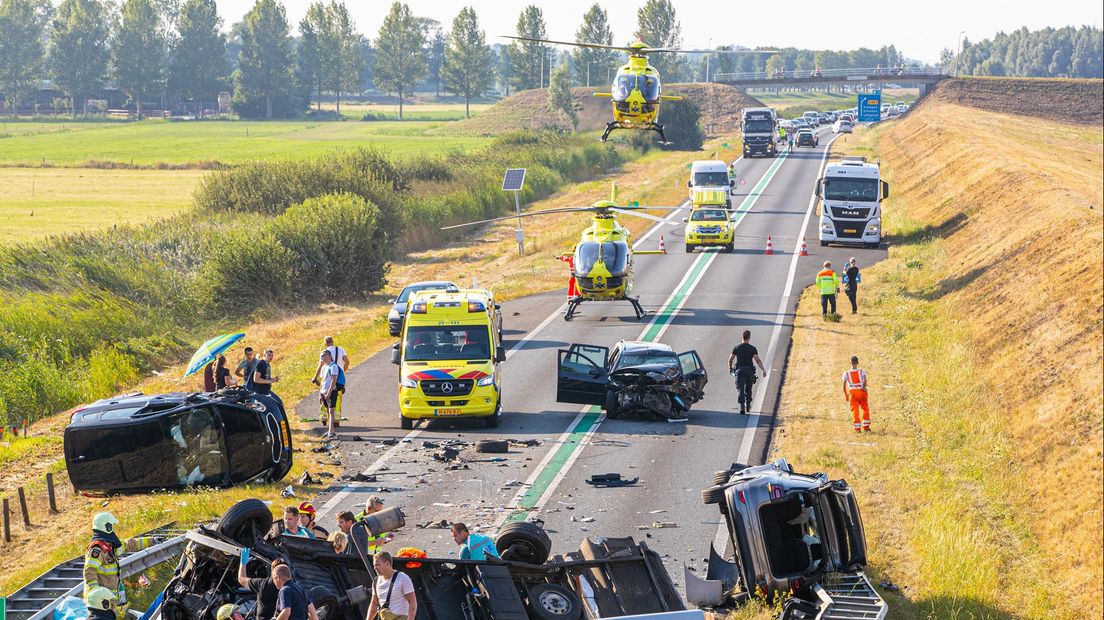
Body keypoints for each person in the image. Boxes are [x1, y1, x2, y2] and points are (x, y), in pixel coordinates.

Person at [83, 512, 159, 618]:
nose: (113, 528)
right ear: (106, 527)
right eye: (112, 526)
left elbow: (130, 544)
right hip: (99, 603)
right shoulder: (97, 549)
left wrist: (152, 541)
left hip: (109, 600)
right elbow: (89, 572)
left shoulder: (110, 546)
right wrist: (96, 594)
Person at [367, 552, 417, 620]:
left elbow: (412, 602)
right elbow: (374, 604)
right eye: (374, 565)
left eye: (377, 565)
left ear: (387, 563)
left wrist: (410, 618)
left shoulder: (403, 578)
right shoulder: (376, 581)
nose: (375, 568)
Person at [727, 330, 767, 415]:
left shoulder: (736, 348)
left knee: (740, 389)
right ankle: (748, 404)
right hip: (749, 371)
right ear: (749, 338)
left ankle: (742, 405)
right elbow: (758, 361)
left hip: (739, 371)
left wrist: (730, 368)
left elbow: (730, 359)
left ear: (742, 337)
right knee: (748, 389)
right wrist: (763, 370)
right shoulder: (752, 349)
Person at [237, 555, 286, 620]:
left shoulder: (262, 584)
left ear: (272, 570)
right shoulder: (292, 588)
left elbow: (241, 579)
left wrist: (243, 562)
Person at [317, 350, 344, 439]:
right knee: (328, 411)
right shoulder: (324, 367)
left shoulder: (333, 366)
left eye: (322, 356)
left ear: (328, 356)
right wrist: (320, 394)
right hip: (324, 392)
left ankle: (331, 431)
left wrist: (329, 393)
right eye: (320, 356)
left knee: (331, 411)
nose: (321, 358)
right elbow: (322, 381)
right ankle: (330, 430)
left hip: (331, 392)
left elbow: (334, 380)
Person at [843, 356, 870, 432]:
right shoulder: (862, 371)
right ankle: (866, 427)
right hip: (861, 391)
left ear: (850, 363)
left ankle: (857, 428)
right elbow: (864, 381)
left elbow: (844, 386)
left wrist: (846, 395)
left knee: (855, 410)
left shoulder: (846, 373)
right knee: (865, 408)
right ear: (857, 363)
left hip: (852, 392)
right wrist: (863, 387)